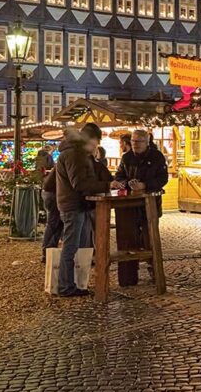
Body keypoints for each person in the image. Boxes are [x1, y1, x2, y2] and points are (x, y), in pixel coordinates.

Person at [55, 123, 112, 297]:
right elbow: (79, 183)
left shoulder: (77, 154)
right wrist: (107, 185)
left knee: (77, 245)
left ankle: (74, 283)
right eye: (94, 144)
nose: (95, 148)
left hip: (75, 204)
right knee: (70, 247)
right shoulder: (74, 155)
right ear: (88, 140)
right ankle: (66, 286)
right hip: (73, 205)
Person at [112, 129, 169, 279]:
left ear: (147, 142)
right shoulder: (127, 158)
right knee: (129, 240)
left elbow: (162, 179)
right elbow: (120, 175)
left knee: (149, 238)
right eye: (133, 141)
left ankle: (155, 271)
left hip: (149, 205)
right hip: (130, 207)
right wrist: (124, 183)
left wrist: (145, 185)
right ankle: (129, 275)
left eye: (138, 141)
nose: (135, 144)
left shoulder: (156, 157)